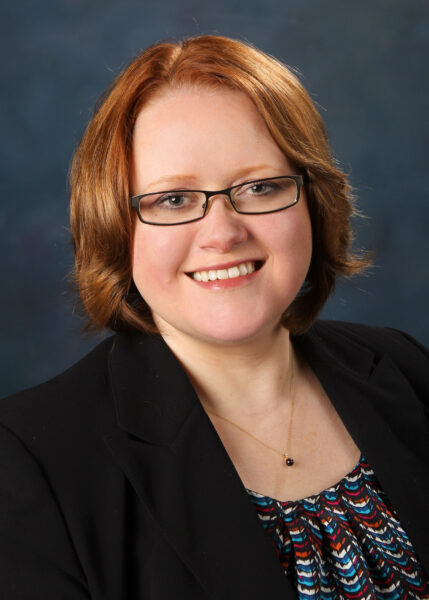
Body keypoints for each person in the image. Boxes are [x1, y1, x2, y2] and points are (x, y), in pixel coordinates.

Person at [0, 34, 428, 600]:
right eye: (173, 199)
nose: (224, 233)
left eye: (260, 187)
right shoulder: (27, 461)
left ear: (312, 201)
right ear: (115, 226)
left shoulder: (405, 367)